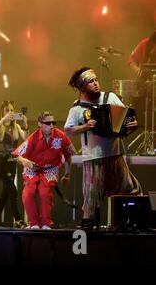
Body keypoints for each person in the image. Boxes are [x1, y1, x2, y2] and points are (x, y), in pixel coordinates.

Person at [64, 67, 141, 225]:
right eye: (91, 81)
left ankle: (131, 226)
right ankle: (88, 234)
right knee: (91, 199)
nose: (96, 84)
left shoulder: (110, 97)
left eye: (96, 80)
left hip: (115, 155)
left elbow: (127, 119)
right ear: (81, 86)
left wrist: (132, 124)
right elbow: (68, 130)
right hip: (94, 158)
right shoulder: (77, 107)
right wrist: (85, 127)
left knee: (133, 191)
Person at [13, 111, 75, 229]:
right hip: (32, 168)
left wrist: (67, 174)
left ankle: (46, 224)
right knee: (28, 192)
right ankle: (34, 224)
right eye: (48, 123)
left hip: (51, 169)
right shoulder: (33, 138)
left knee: (44, 192)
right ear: (40, 124)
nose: (51, 125)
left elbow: (68, 155)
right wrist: (25, 162)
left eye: (53, 122)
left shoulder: (61, 136)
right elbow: (17, 155)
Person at [0, 100, 28, 228]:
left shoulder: (15, 126)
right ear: (2, 112)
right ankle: (18, 219)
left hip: (13, 160)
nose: (11, 113)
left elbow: (25, 139)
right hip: (1, 160)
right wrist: (2, 120)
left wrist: (25, 124)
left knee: (6, 192)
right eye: (8, 110)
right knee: (13, 190)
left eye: (12, 110)